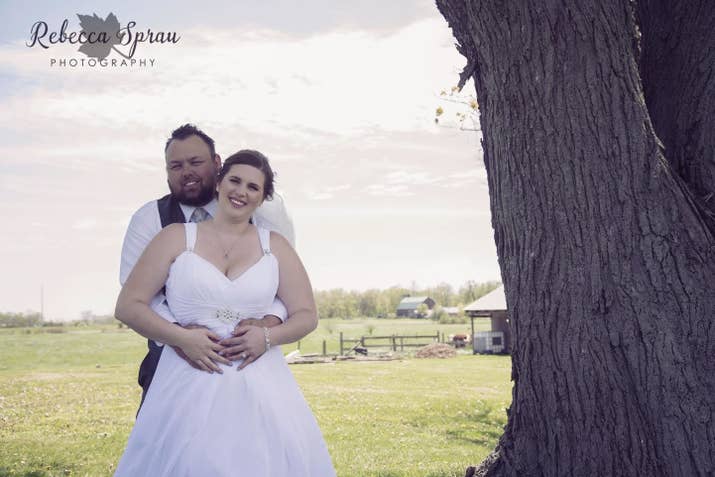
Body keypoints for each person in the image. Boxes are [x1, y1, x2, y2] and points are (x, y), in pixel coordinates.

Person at [114, 150, 335, 476]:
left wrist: (268, 337)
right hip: (186, 380)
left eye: (253, 187)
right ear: (218, 182)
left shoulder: (275, 246)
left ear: (262, 198)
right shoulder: (175, 237)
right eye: (234, 180)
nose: (241, 192)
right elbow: (128, 306)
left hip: (261, 383)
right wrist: (182, 338)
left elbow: (306, 314)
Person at [119, 124, 295, 404]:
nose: (186, 171)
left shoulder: (263, 210)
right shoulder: (149, 219)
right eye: (175, 166)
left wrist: (268, 324)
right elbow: (136, 293)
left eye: (195, 162)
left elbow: (286, 282)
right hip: (172, 363)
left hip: (251, 362)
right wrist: (180, 336)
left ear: (217, 164)